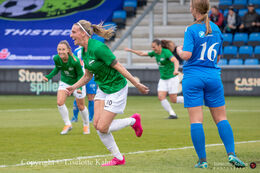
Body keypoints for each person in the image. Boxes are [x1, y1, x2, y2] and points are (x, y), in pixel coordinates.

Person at [67, 20, 149, 166]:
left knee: (103, 127)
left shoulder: (98, 48)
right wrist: (74, 87)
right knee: (97, 125)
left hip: (116, 88)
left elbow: (119, 67)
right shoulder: (84, 52)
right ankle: (118, 158)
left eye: (73, 32)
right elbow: (88, 76)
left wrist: (136, 84)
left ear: (83, 34)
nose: (70, 34)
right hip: (103, 88)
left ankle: (133, 121)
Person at [176, 0, 245, 168]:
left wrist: (178, 50)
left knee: (196, 121)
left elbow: (186, 55)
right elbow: (218, 57)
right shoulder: (216, 29)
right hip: (213, 77)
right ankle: (231, 154)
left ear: (193, 10)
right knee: (221, 118)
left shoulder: (191, 29)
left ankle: (202, 161)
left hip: (193, 77)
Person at [125, 40, 184, 119]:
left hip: (172, 78)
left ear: (159, 46)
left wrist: (176, 70)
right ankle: (172, 114)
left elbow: (175, 61)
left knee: (173, 99)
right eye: (152, 47)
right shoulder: (155, 53)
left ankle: (192, 100)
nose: (153, 49)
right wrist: (131, 50)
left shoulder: (166, 52)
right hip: (163, 79)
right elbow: (142, 53)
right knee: (161, 97)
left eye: (154, 47)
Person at [43, 40, 90, 135]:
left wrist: (79, 87)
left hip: (78, 82)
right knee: (59, 103)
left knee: (81, 106)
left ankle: (86, 125)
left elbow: (80, 75)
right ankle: (68, 124)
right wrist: (48, 76)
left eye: (63, 49)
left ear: (68, 50)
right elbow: (57, 68)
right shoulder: (56, 58)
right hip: (65, 82)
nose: (60, 51)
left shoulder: (75, 61)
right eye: (59, 49)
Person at [71, 46, 97, 123]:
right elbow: (73, 63)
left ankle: (91, 118)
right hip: (80, 75)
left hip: (91, 75)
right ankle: (75, 117)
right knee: (78, 95)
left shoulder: (93, 49)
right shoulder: (76, 51)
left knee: (91, 96)